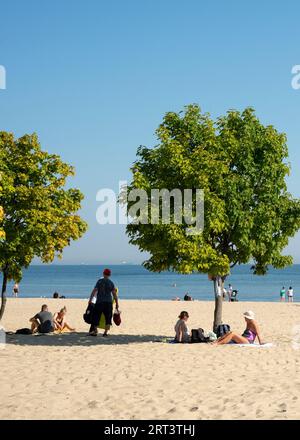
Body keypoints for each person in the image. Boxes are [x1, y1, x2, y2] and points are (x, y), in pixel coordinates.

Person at [88, 268, 119, 337]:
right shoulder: (111, 283)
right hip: (108, 303)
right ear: (109, 275)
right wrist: (117, 303)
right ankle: (105, 332)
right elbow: (114, 294)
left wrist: (90, 299)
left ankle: (95, 331)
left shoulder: (99, 281)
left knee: (96, 316)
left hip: (99, 302)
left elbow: (94, 291)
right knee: (108, 318)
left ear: (103, 273)